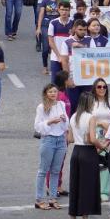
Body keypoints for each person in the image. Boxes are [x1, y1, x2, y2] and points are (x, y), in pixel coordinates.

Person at [67, 92, 103, 219]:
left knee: (75, 184)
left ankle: (72, 218)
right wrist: (102, 146)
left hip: (76, 152)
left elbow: (70, 138)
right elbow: (93, 139)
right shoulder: (91, 117)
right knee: (87, 186)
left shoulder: (74, 116)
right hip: (88, 153)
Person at [34, 83, 69, 211]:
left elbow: (66, 126)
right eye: (50, 92)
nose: (53, 94)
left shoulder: (61, 105)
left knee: (56, 170)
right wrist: (50, 121)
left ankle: (53, 198)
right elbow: (37, 127)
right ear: (46, 94)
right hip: (48, 140)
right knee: (43, 170)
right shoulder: (41, 107)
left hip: (61, 140)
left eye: (55, 91)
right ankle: (39, 199)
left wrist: (65, 120)